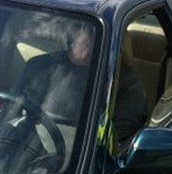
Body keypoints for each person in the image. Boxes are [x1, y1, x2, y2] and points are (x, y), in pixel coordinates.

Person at [20, 23, 148, 146]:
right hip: (22, 155)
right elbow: (10, 111)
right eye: (76, 26)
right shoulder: (39, 66)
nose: (78, 35)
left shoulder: (125, 85)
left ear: (109, 42)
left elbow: (117, 149)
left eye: (88, 29)